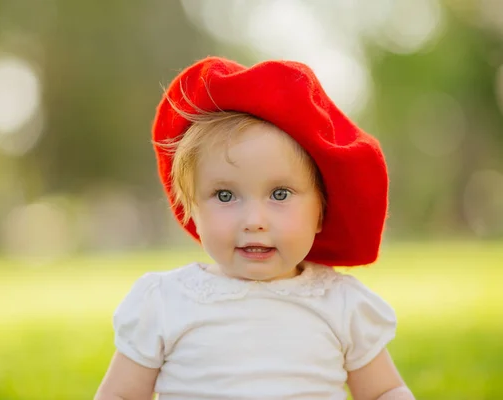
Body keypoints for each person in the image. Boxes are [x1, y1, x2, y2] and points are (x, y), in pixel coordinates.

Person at [94, 57, 415, 400]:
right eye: (225, 195)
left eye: (280, 194)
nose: (254, 220)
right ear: (192, 208)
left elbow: (385, 390)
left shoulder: (340, 303)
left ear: (321, 212)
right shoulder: (164, 302)